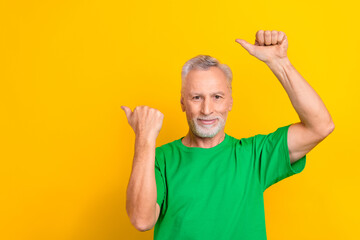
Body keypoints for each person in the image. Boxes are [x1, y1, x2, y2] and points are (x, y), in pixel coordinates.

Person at [123, 30, 335, 240]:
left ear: (230, 101)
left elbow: (320, 126)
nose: (207, 109)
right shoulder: (160, 159)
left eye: (217, 96)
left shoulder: (253, 156)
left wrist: (280, 63)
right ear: (182, 103)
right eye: (197, 97)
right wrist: (144, 139)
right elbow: (142, 220)